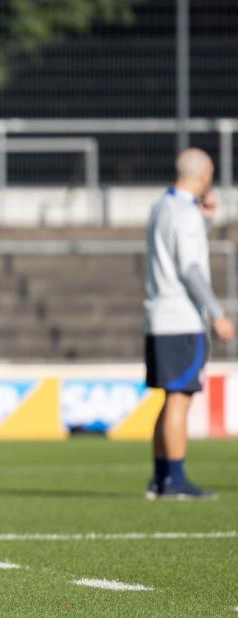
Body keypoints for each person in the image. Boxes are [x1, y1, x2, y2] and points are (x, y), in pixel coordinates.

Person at [143, 148, 234, 500]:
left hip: (157, 316)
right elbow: (191, 268)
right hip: (181, 318)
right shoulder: (185, 214)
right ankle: (175, 481)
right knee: (180, 399)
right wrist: (217, 312)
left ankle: (161, 477)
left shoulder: (162, 207)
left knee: (170, 400)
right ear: (203, 176)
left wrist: (206, 220)